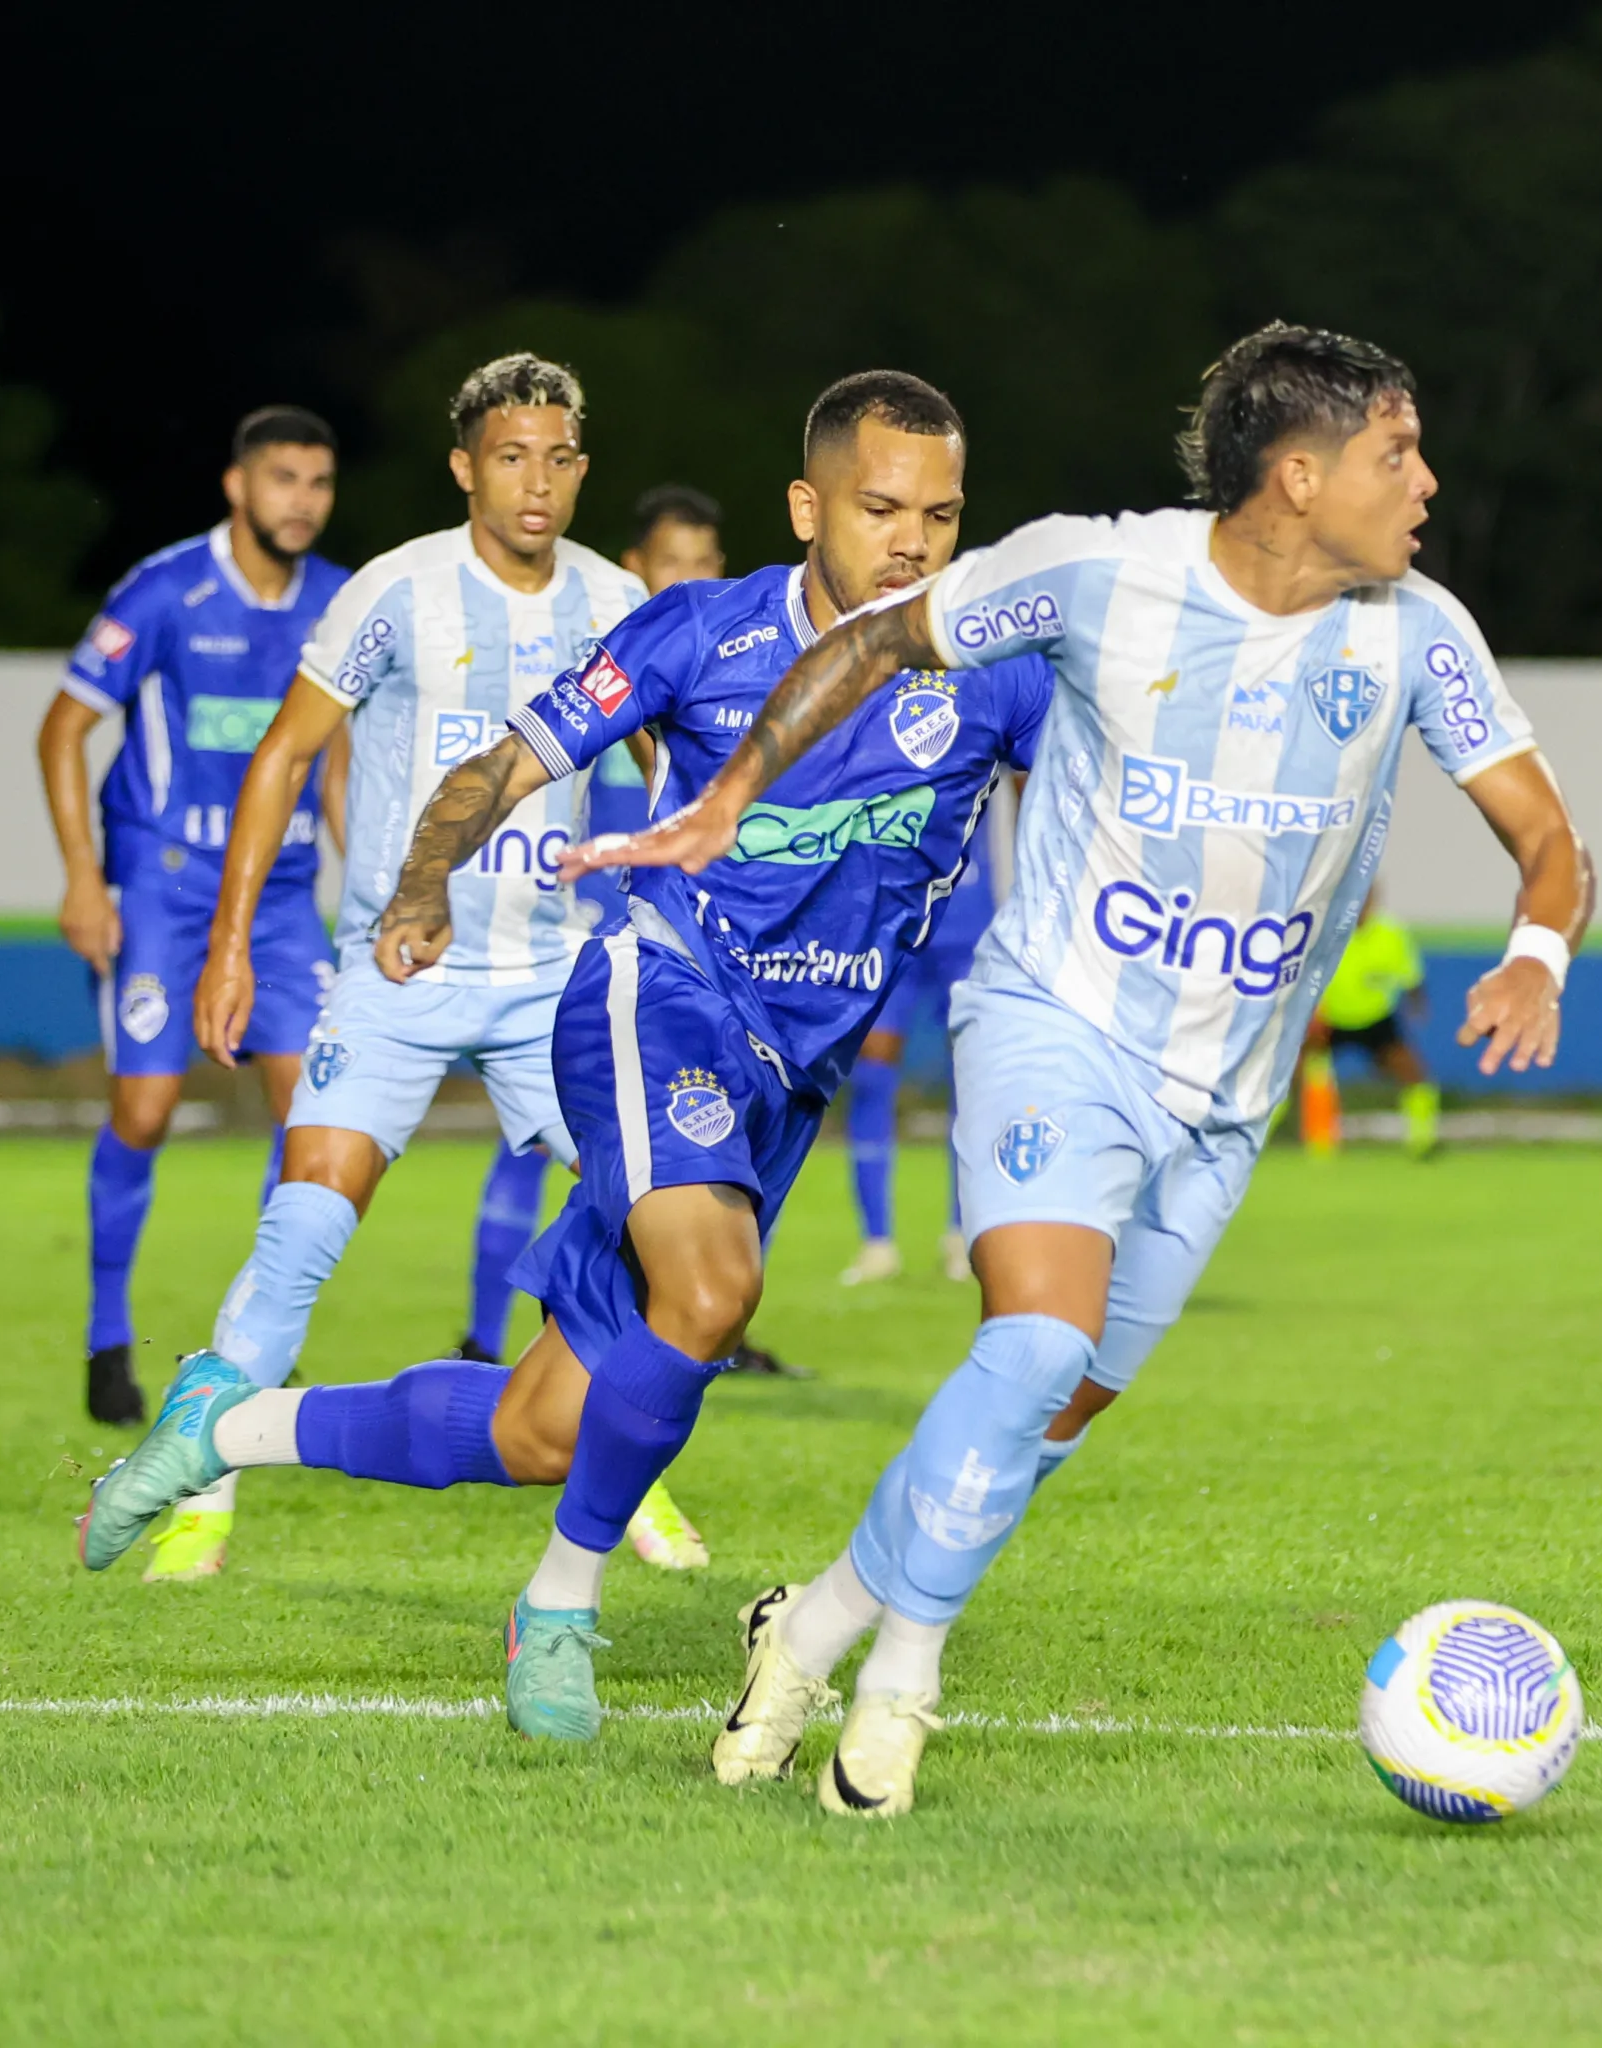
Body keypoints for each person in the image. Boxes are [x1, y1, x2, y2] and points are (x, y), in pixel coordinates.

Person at [598, 321, 1594, 1816]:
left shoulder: (1416, 632)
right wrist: (728, 797)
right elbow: (878, 638)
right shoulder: (1095, 571)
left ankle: (806, 1624)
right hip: (1055, 1025)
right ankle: (897, 1685)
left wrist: (1539, 954)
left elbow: (1550, 840)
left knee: (1049, 1417)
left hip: (1228, 1099)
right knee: (1035, 1347)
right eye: (1401, 453)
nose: (1429, 482)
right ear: (1299, 474)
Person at [75, 375, 1054, 1759]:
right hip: (653, 998)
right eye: (880, 507)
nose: (912, 541)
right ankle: (559, 1603)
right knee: (712, 1290)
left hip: (788, 1077)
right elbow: (505, 764)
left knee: (545, 1427)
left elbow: (1097, 816)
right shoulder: (697, 630)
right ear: (806, 506)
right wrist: (421, 882)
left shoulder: (998, 670)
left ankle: (217, 1431)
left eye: (941, 514)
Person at [76, 352, 646, 1584]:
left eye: (557, 458)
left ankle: (609, 1478)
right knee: (303, 1230)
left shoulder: (616, 597)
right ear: (465, 468)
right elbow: (282, 759)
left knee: (649, 1223)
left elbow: (674, 767)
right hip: (397, 968)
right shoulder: (395, 592)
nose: (536, 482)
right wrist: (230, 946)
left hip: (554, 978)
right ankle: (203, 1486)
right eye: (510, 457)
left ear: (581, 469)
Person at [34, 407, 348, 1438]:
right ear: (237, 485)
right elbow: (65, 724)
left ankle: (258, 1342)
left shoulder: (343, 602)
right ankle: (103, 1334)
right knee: (146, 1109)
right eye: (284, 479)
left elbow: (337, 756)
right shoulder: (166, 588)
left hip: (284, 896)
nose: (301, 499)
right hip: (164, 890)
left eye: (318, 482)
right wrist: (85, 877)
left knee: (309, 1116)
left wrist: (374, 885)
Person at [453, 481, 738, 1571]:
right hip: (574, 961)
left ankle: (581, 1398)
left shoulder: (696, 721)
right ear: (636, 567)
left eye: (709, 564)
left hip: (657, 975)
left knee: (610, 1184)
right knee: (555, 1160)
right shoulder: (613, 670)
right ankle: (501, 1347)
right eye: (675, 566)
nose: (692, 586)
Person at [837, 824, 1001, 1286]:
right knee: (871, 1071)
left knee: (970, 1078)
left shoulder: (994, 750)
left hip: (971, 926)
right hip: (896, 922)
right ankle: (876, 1242)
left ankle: (962, 1234)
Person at [1295, 886, 1440, 1157]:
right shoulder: (1327, 932)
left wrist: (1416, 1006)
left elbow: (1411, 977)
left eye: (1366, 898)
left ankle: (1423, 1142)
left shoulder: (1391, 934)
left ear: (1374, 900)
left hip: (1376, 1020)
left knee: (1413, 1073)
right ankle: (1315, 1145)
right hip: (1330, 1020)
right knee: (1300, 1073)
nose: (1361, 905)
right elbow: (1305, 976)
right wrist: (1311, 1013)